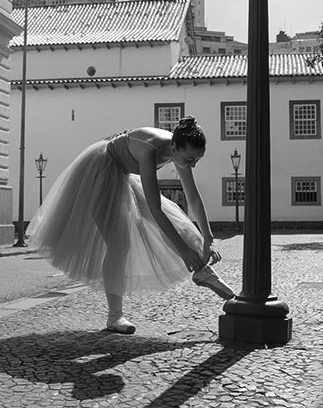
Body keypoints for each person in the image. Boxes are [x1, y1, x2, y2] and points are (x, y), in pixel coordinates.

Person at [26, 116, 235, 334]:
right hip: (101, 171)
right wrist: (183, 251)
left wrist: (208, 238)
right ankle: (115, 317)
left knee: (178, 223)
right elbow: (155, 208)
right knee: (119, 243)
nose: (192, 165)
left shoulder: (179, 153)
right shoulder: (150, 148)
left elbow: (192, 196)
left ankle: (202, 271)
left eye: (196, 161)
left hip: (123, 174)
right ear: (174, 147)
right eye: (190, 159)